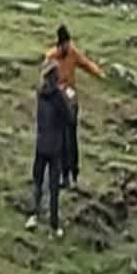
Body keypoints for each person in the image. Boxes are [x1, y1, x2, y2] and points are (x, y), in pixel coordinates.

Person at [44, 24, 105, 191]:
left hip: (70, 100)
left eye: (68, 44)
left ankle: (73, 173)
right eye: (65, 44)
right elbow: (45, 77)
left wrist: (99, 73)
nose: (67, 47)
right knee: (60, 140)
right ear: (59, 43)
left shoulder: (73, 52)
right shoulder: (51, 57)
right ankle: (63, 175)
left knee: (71, 138)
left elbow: (85, 63)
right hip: (57, 100)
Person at [27, 60, 70, 237]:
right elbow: (67, 118)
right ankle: (53, 224)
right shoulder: (58, 97)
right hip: (55, 146)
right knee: (53, 186)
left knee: (37, 181)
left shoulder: (40, 93)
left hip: (41, 142)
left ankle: (33, 215)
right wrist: (70, 100)